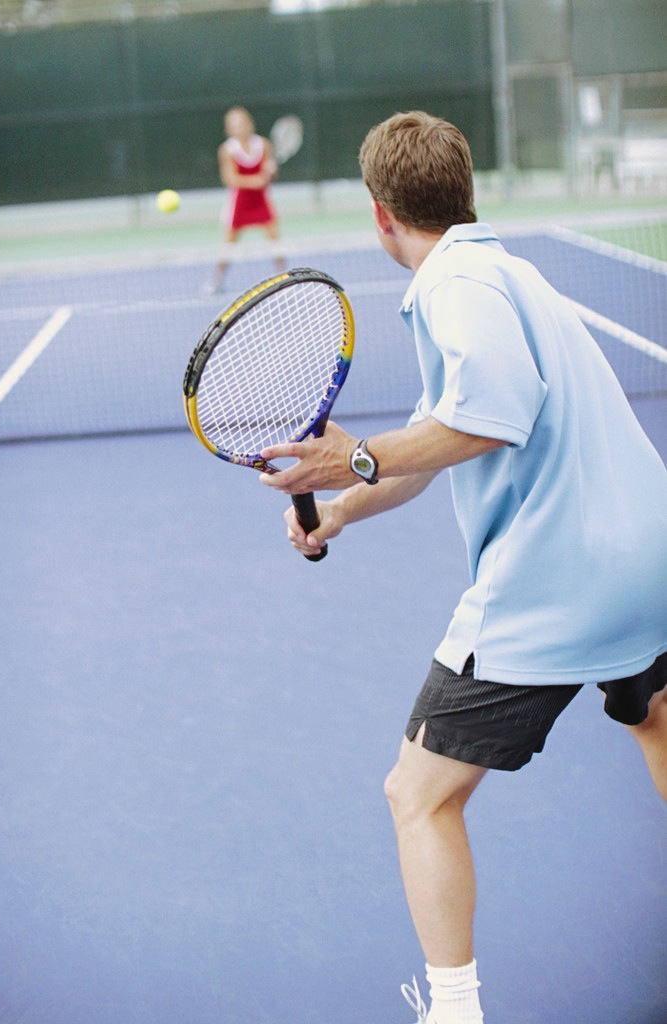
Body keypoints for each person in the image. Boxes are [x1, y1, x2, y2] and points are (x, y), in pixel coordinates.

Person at [257, 111, 667, 1023]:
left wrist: (355, 457)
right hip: (647, 554)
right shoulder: (502, 271)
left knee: (417, 795)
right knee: (658, 723)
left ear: (379, 213)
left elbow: (494, 416)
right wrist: (336, 509)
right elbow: (436, 440)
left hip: (556, 581)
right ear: (463, 187)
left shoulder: (454, 288)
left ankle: (451, 1010)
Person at [211, 106, 282, 293]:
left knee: (276, 240)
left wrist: (272, 171)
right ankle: (216, 280)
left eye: (243, 123)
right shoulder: (227, 150)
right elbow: (230, 179)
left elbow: (270, 172)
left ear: (250, 124)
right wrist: (255, 181)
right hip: (239, 205)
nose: (241, 127)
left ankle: (284, 278)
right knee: (228, 244)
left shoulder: (264, 145)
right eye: (235, 125)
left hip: (262, 202)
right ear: (229, 130)